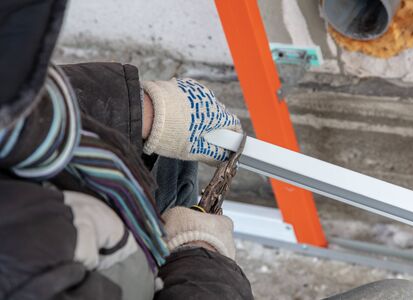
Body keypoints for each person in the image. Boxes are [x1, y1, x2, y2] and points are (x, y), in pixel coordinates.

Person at [0, 1, 252, 299]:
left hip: (119, 199)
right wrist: (203, 262)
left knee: (170, 169)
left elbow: (12, 88)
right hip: (140, 264)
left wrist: (139, 111)